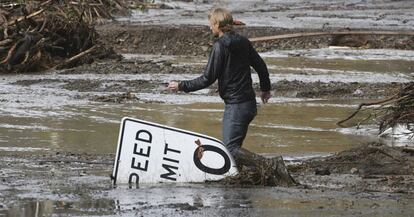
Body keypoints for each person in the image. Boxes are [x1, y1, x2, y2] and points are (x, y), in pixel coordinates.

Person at [168, 8, 271, 157]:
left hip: (237, 106)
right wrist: (265, 89)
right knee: (234, 149)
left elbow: (207, 78)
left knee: (230, 149)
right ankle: (242, 174)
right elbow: (261, 66)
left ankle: (268, 166)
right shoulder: (243, 42)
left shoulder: (220, 46)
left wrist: (181, 85)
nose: (210, 27)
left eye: (211, 24)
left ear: (217, 24)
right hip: (248, 104)